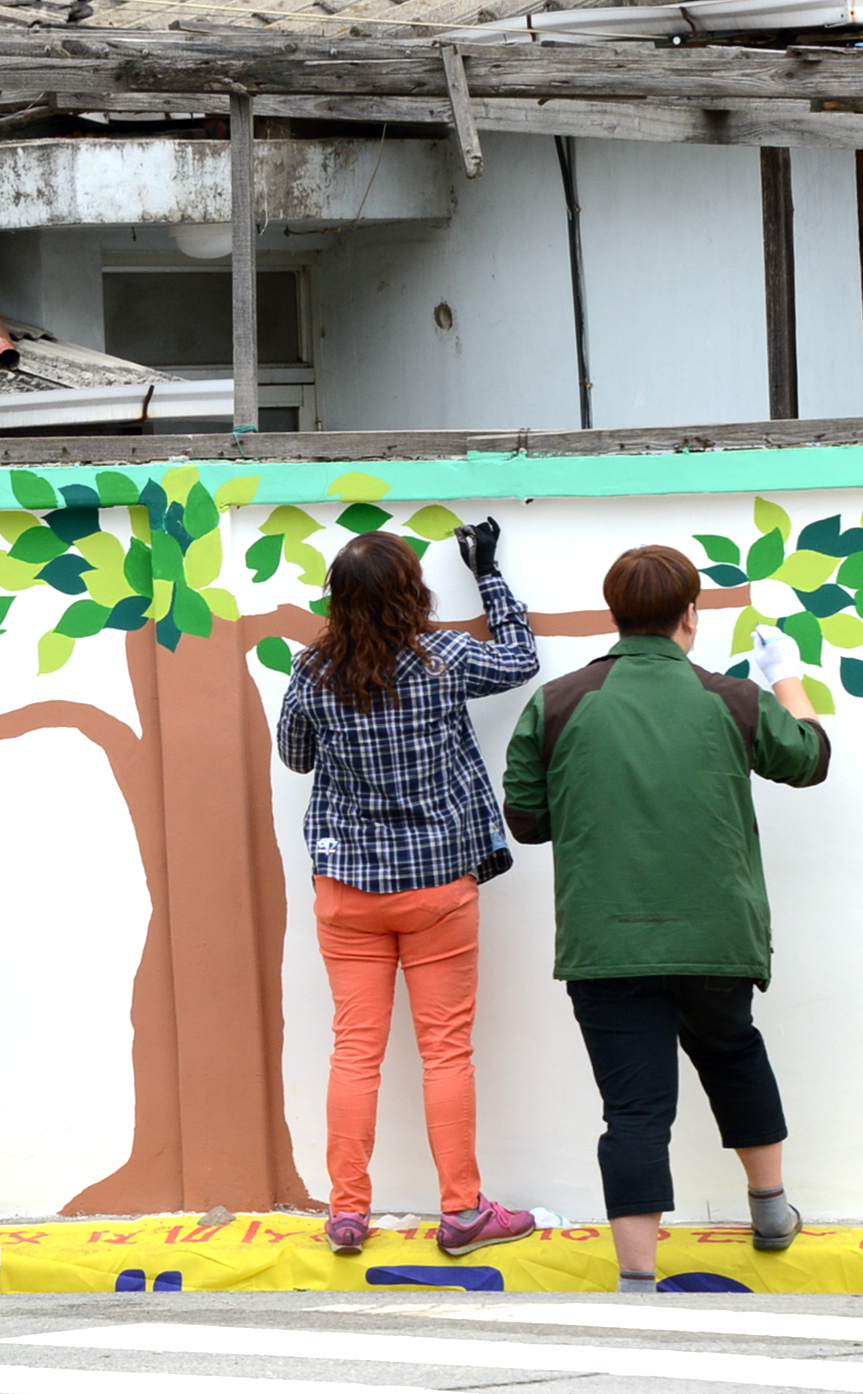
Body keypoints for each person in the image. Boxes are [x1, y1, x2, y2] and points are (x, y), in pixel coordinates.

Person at [503, 545, 828, 1292]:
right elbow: (809, 759)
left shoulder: (558, 703)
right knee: (734, 1053)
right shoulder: (732, 699)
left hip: (606, 941)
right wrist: (785, 677)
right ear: (691, 615)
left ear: (614, 614)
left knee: (634, 1109)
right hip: (716, 936)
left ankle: (638, 1280)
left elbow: (526, 820)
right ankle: (770, 1211)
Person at [277, 522, 541, 1257]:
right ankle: (461, 1213)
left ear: (336, 598)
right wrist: (487, 573)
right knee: (445, 1051)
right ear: (412, 593)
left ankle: (347, 1214)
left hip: (348, 891)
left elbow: (295, 757)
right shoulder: (445, 658)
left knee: (354, 1052)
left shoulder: (311, 672)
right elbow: (521, 659)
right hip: (437, 886)